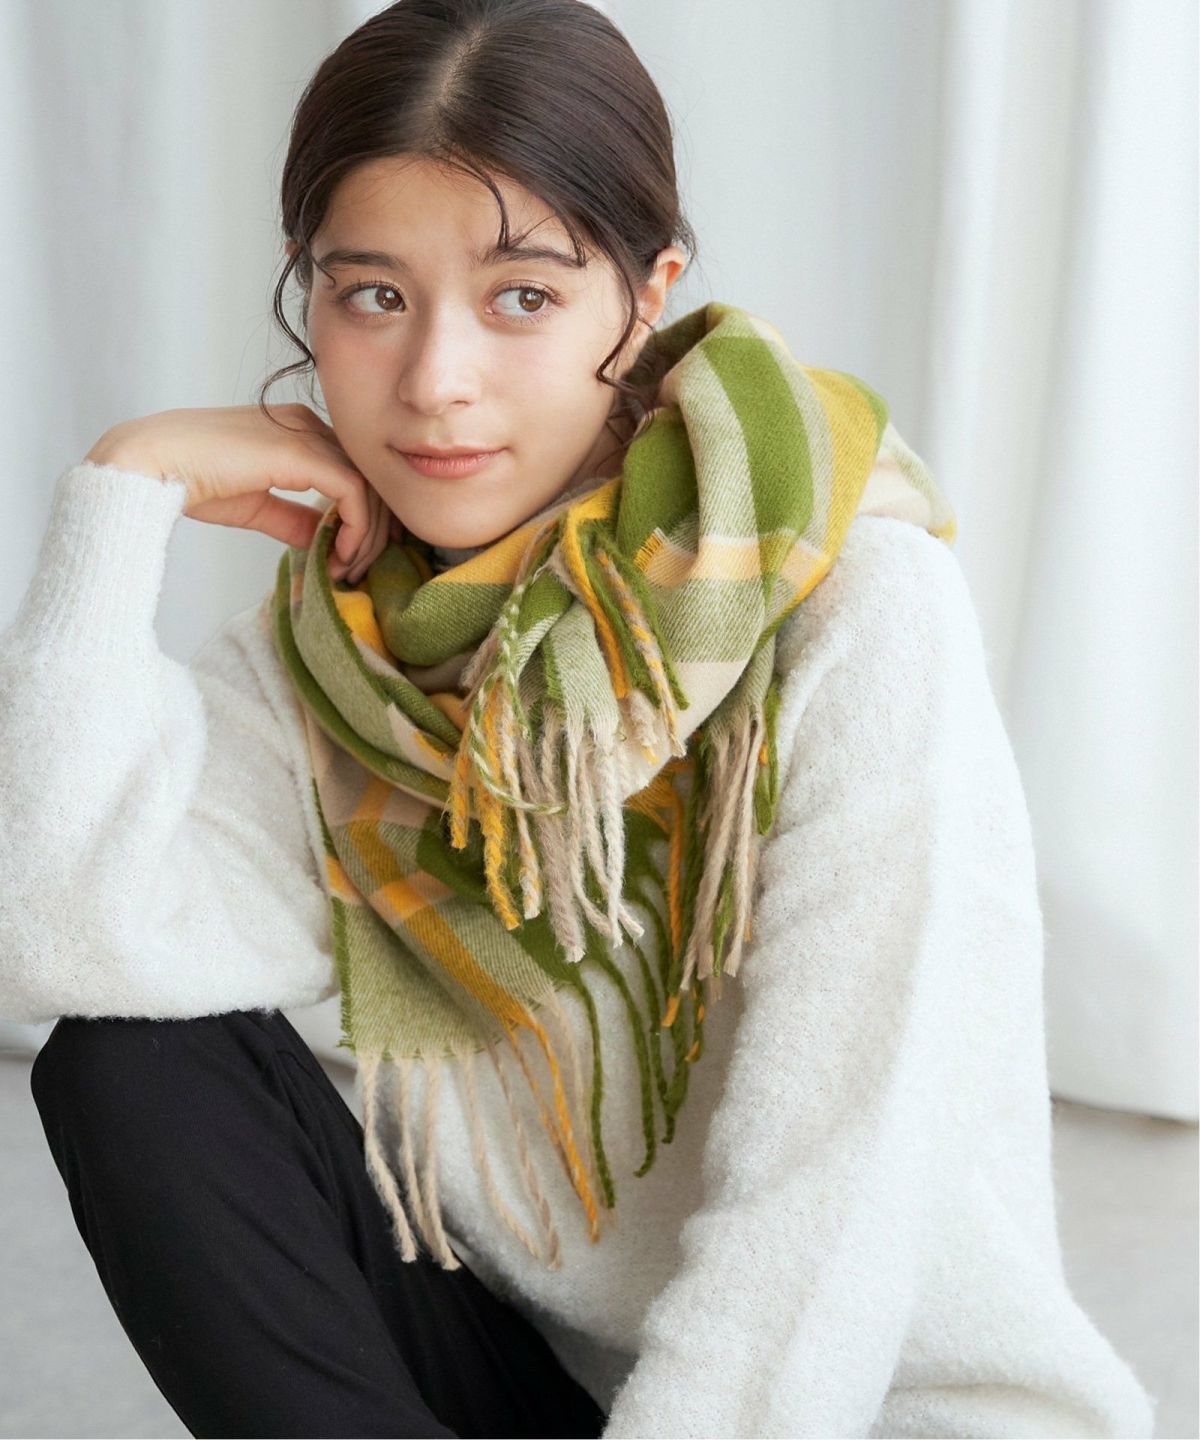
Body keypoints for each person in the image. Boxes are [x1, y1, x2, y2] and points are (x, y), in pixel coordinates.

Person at [0, 1, 1157, 1437]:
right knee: (132, 1067)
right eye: (373, 297)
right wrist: (121, 492)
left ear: (646, 294)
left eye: (523, 299)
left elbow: (838, 1177)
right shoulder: (330, 657)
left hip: (865, 1408)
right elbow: (62, 942)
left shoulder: (854, 603)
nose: (436, 380)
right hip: (558, 1395)